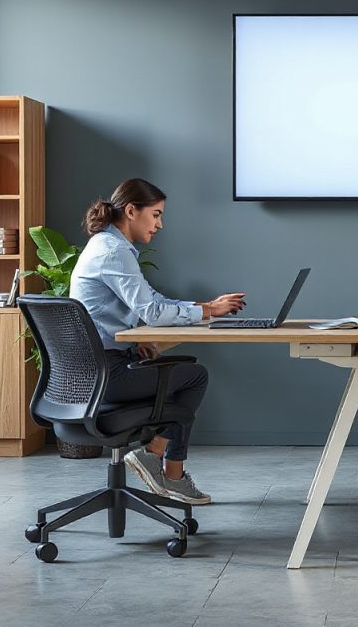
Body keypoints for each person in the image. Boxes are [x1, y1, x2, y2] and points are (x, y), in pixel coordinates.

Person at [70, 178, 245, 505]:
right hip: (106, 375)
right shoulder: (113, 251)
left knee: (179, 374)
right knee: (194, 377)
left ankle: (166, 466)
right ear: (132, 211)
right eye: (156, 215)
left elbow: (150, 300)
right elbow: (151, 311)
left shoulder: (108, 246)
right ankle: (161, 463)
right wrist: (208, 310)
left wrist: (204, 308)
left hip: (91, 372)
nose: (160, 224)